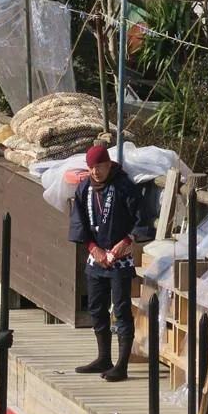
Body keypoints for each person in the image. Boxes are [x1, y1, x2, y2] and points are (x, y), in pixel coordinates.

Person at [68, 144, 150, 382]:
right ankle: (103, 357)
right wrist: (93, 249)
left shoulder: (124, 187)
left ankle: (122, 364)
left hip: (120, 258)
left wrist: (127, 241)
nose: (96, 172)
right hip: (96, 257)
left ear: (108, 164)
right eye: (91, 168)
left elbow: (141, 219)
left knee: (122, 310)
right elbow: (79, 224)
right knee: (96, 308)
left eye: (99, 167)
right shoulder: (84, 189)